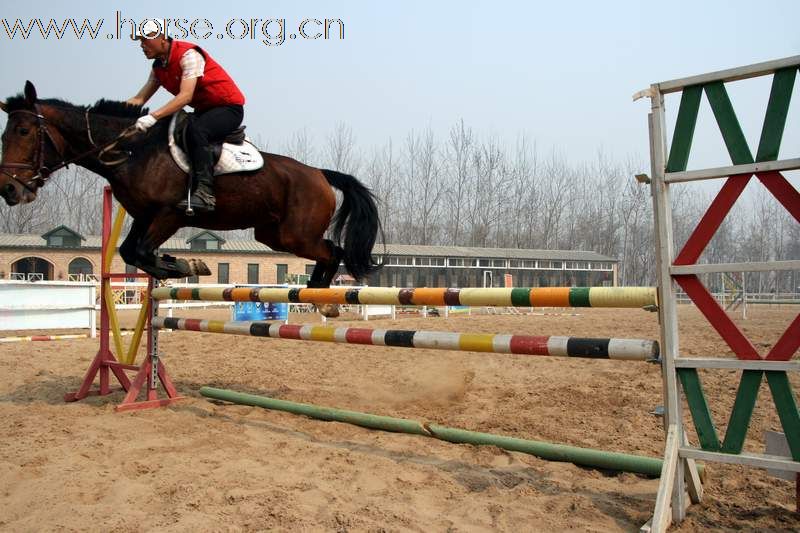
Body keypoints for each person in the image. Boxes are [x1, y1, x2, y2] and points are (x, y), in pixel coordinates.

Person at [126, 21, 245, 213]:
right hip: (204, 110)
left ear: (163, 39)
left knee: (196, 130)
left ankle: (205, 193)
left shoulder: (189, 55)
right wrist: (112, 113)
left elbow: (185, 96)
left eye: (145, 40)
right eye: (139, 40)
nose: (141, 45)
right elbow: (140, 98)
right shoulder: (159, 67)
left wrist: (153, 116)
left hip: (228, 108)